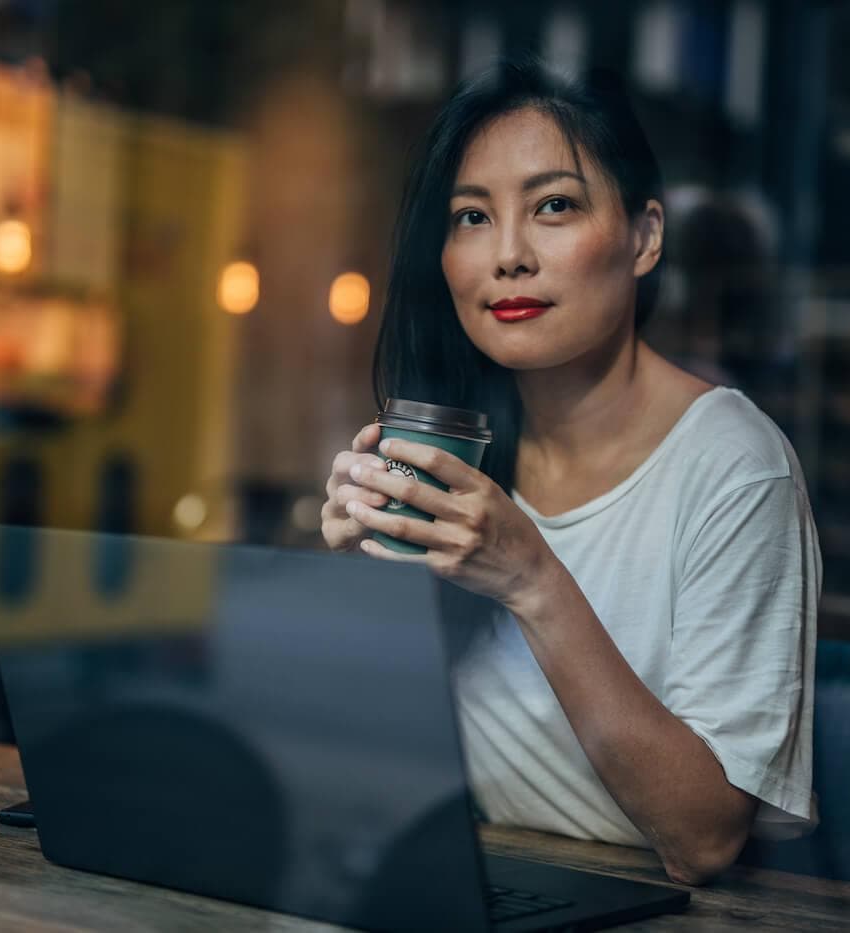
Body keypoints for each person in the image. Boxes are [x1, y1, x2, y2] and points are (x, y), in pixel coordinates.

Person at [319, 60, 820, 885]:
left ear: (644, 236)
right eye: (471, 216)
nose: (508, 255)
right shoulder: (455, 456)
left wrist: (533, 579)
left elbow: (703, 839)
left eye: (554, 205)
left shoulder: (735, 467)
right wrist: (353, 582)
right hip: (466, 878)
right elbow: (361, 760)